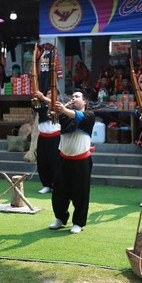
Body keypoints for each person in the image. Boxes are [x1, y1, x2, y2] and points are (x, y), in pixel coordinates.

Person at [48, 90, 95, 234]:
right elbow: (57, 117)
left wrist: (63, 109)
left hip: (81, 162)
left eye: (77, 96)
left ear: (84, 102)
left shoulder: (89, 115)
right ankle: (60, 218)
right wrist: (54, 111)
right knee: (58, 192)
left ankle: (78, 222)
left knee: (80, 193)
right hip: (63, 160)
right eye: (72, 96)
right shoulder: (64, 116)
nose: (73, 98)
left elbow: (77, 116)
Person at [33, 90, 61, 194]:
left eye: (52, 93)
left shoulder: (60, 106)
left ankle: (56, 184)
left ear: (57, 95)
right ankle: (46, 185)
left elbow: (55, 106)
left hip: (55, 137)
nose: (50, 94)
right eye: (48, 93)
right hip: (43, 137)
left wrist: (44, 98)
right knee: (42, 161)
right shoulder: (43, 106)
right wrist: (38, 98)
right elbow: (35, 107)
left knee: (55, 161)